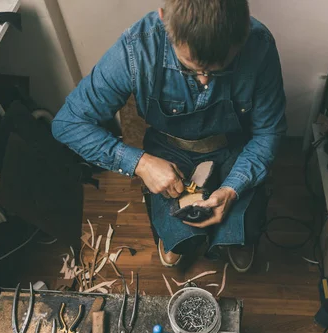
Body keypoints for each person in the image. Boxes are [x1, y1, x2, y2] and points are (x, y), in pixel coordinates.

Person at [52, 0, 287, 272]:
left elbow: (269, 132)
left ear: (244, 29)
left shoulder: (259, 44)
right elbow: (68, 123)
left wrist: (233, 188)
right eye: (190, 66)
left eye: (219, 68)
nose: (204, 82)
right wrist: (141, 163)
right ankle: (181, 236)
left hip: (233, 146)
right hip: (169, 150)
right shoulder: (138, 47)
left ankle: (235, 234)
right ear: (165, 21)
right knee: (182, 238)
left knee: (240, 231)